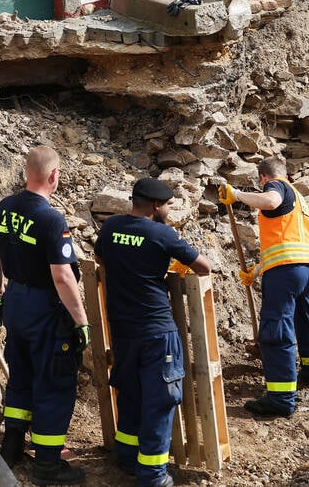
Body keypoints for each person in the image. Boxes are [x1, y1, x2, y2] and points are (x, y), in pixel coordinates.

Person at [0, 145, 90, 486]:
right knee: (53, 384)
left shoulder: (5, 208)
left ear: (26, 171)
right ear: (54, 176)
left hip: (15, 302)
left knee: (21, 374)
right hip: (46, 308)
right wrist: (81, 321)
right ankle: (47, 465)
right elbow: (62, 276)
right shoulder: (51, 219)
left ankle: (11, 446)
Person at [94, 177, 211, 487]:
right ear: (157, 206)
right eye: (169, 205)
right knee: (160, 401)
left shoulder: (110, 227)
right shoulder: (162, 234)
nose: (169, 211)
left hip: (123, 330)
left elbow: (99, 257)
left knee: (130, 393)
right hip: (157, 331)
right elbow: (204, 266)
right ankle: (153, 475)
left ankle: (127, 457)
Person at [219, 156, 309, 419]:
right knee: (307, 320)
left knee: (277, 330)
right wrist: (256, 270)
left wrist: (237, 194)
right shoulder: (299, 198)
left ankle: (280, 399)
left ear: (263, 178)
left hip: (286, 272)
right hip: (308, 269)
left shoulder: (276, 187)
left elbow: (270, 202)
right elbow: (287, 241)